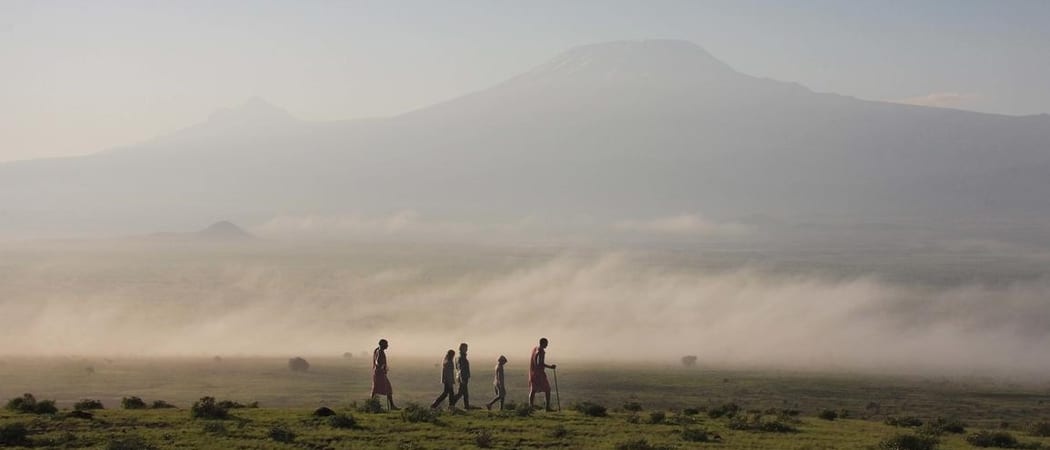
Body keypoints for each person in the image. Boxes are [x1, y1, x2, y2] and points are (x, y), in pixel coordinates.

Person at [529, 337, 556, 411]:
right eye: (546, 344)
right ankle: (547, 407)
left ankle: (530, 407)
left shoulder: (535, 349)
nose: (547, 345)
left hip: (533, 372)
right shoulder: (541, 351)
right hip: (539, 374)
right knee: (547, 389)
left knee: (533, 390)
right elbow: (539, 363)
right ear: (543, 343)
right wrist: (550, 367)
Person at [371, 339, 398, 410]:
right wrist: (381, 367)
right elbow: (377, 361)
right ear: (382, 344)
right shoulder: (380, 352)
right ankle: (392, 406)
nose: (387, 346)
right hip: (380, 373)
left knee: (376, 388)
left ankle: (371, 404)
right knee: (387, 388)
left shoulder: (378, 350)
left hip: (378, 372)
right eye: (386, 344)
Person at [452, 342, 472, 409]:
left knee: (464, 393)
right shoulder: (462, 358)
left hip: (460, 377)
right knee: (461, 393)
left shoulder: (457, 358)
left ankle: (466, 406)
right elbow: (462, 369)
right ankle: (452, 403)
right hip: (463, 377)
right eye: (465, 348)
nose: (467, 349)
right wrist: (462, 378)